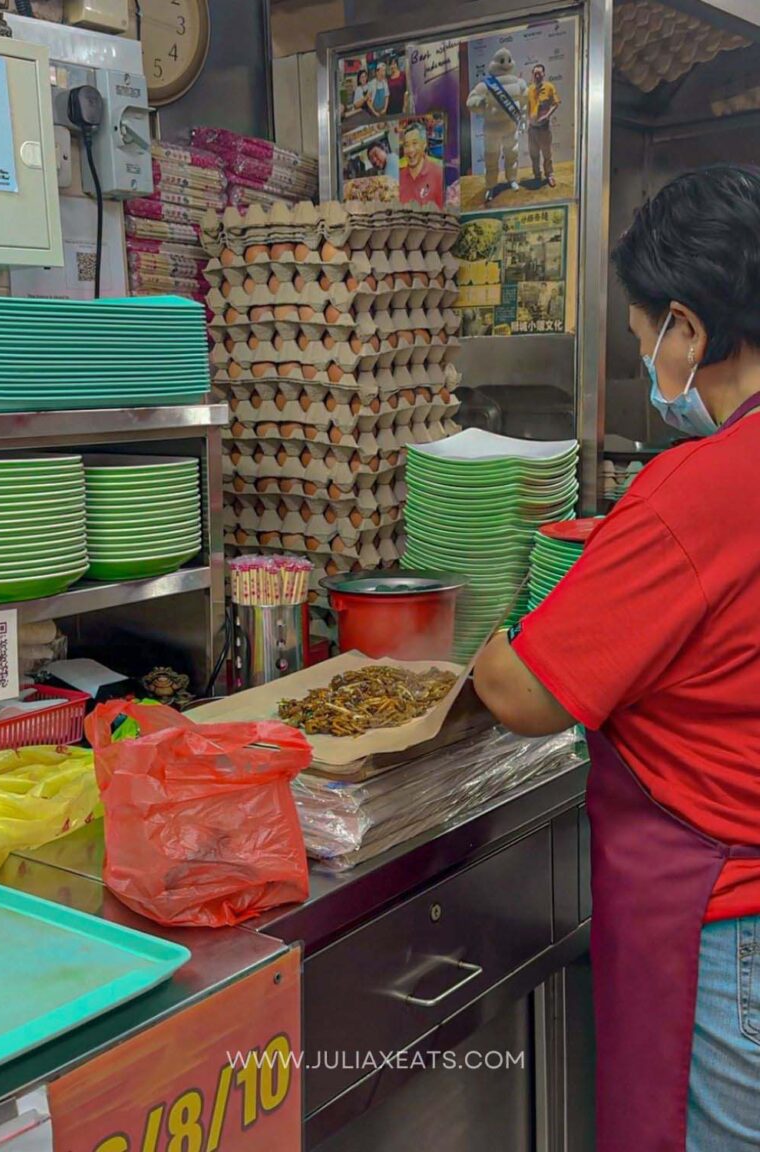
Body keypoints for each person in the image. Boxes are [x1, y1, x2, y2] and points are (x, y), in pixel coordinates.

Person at [474, 164, 760, 1152]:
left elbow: (522, 693)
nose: (651, 366)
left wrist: (481, 622)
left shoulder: (700, 486)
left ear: (689, 328)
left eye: (645, 342)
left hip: (725, 922)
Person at [466, 47, 527, 201]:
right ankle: (491, 186)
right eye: (502, 60)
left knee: (511, 154)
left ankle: (512, 179)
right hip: (492, 130)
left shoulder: (519, 83)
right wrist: (481, 103)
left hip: (510, 128)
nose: (505, 63)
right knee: (491, 159)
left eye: (507, 60)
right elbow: (470, 101)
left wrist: (524, 119)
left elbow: (524, 102)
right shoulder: (486, 84)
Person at [527, 63, 560, 188]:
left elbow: (556, 103)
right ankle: (537, 175)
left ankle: (550, 175)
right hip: (532, 129)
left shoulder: (549, 87)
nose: (537, 75)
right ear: (532, 74)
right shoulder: (529, 89)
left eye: (539, 73)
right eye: (535, 73)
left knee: (547, 155)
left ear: (544, 74)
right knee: (534, 155)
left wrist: (547, 115)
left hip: (544, 129)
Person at [400, 120, 444, 207]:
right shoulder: (399, 177)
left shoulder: (439, 175)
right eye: (406, 145)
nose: (410, 150)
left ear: (424, 145)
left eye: (415, 143)